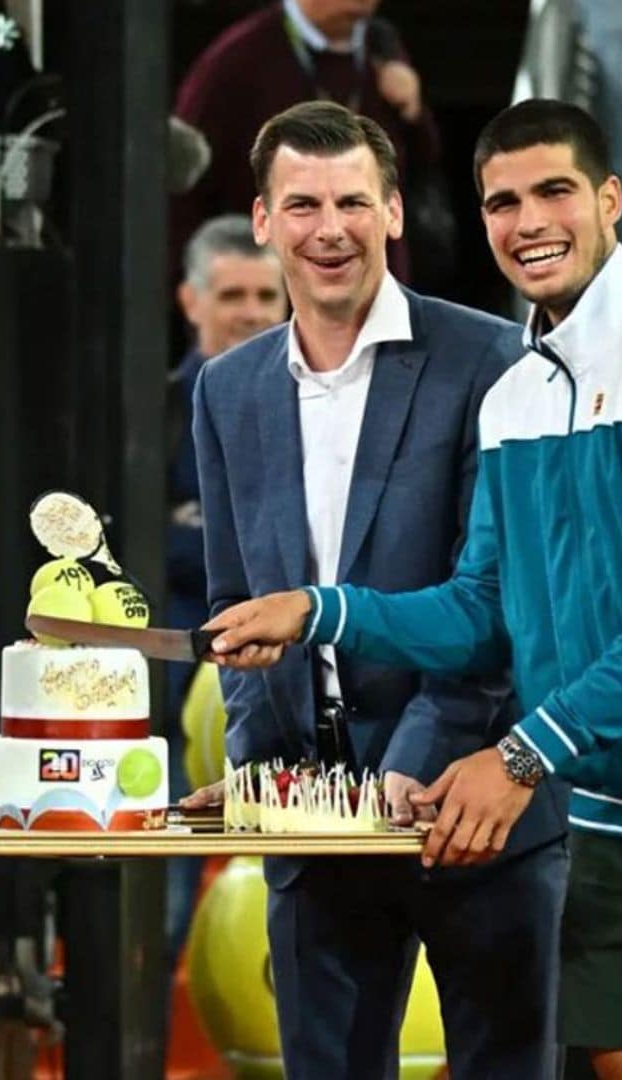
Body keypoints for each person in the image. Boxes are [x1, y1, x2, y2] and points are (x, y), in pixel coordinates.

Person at [203, 98, 622, 1080]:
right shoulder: (231, 392)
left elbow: (507, 630)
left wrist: (488, 761)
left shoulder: (498, 362)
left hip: (482, 815)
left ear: (394, 211)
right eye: (301, 204)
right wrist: (269, 772)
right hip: (326, 831)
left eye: (353, 201)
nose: (330, 229)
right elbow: (480, 603)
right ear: (264, 220)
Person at [165, 215, 286, 964]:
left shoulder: (320, 409)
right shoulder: (147, 413)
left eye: (265, 294)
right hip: (171, 692)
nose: (250, 311)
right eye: (232, 293)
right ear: (190, 300)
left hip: (291, 692)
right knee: (164, 907)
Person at [172, 0, 440, 284]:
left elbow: (425, 161)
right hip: (271, 295)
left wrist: (414, 111)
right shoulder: (237, 59)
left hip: (375, 289)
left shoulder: (382, 49)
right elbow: (184, 180)